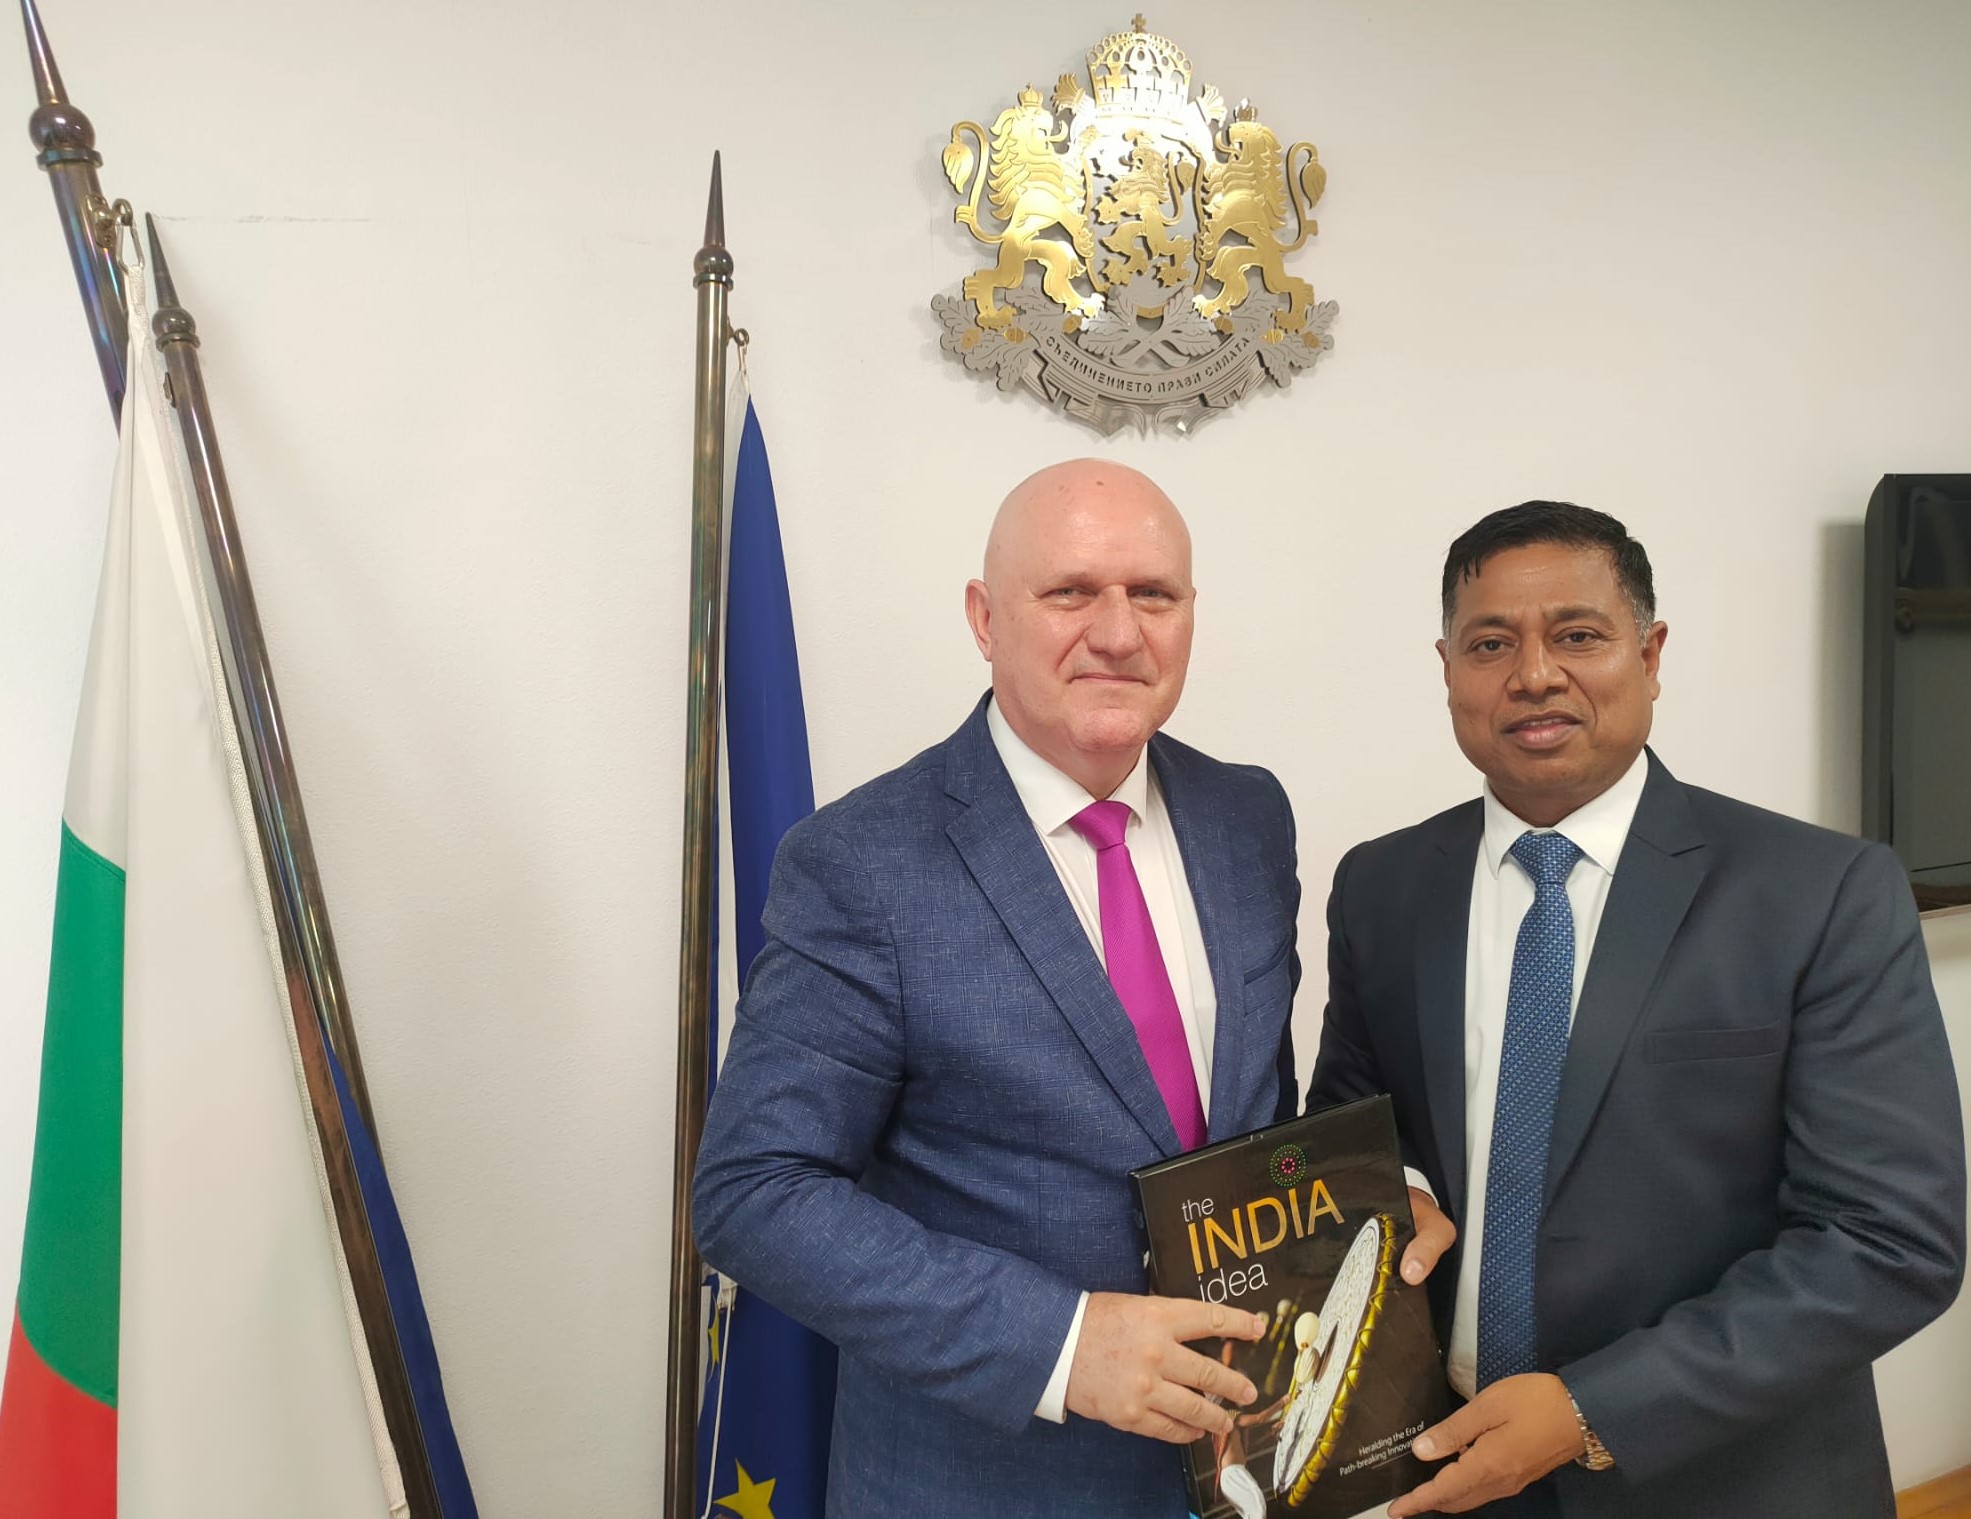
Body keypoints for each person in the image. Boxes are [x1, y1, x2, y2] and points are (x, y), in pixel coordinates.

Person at [1308, 500, 1967, 1517]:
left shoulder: (1820, 892)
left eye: (1578, 635)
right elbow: (1351, 1122)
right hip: (1451, 1471)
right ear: (1447, 669)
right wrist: (1394, 1185)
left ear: (1650, 655)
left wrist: (1592, 1409)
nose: (1534, 673)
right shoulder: (1381, 886)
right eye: (1490, 643)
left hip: (1731, 1482)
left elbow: (1890, 1242)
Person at [693, 459, 1302, 1517]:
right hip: (982, 1481)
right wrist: (1063, 1344)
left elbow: (1258, 1116)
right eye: (1070, 592)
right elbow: (753, 1190)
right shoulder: (861, 862)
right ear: (984, 618)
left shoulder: (1248, 816)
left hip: (1246, 1463)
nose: (1118, 632)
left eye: (1153, 594)